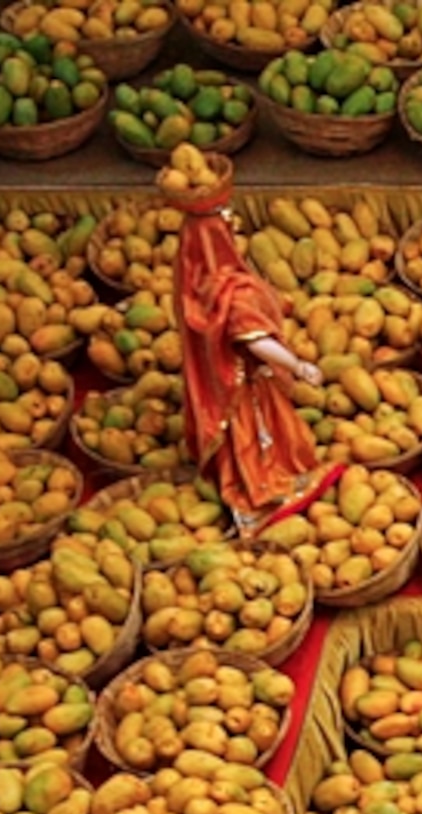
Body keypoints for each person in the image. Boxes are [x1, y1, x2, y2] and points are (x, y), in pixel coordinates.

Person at [163, 142, 342, 534]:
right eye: (226, 223)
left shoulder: (195, 282)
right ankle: (262, 493)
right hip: (245, 383)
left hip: (221, 381)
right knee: (256, 438)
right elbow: (253, 341)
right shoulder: (232, 291)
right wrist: (296, 365)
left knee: (242, 439)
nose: (235, 225)